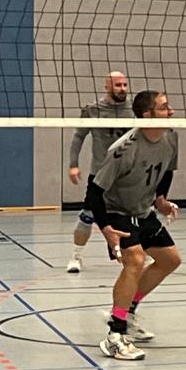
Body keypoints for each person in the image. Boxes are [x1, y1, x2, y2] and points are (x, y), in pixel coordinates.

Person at [89, 90, 181, 362]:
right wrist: (105, 228)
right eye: (164, 108)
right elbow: (94, 191)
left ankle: (127, 312)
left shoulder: (171, 137)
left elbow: (167, 170)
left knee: (170, 260)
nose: (171, 112)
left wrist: (161, 199)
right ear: (147, 115)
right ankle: (115, 335)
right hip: (116, 210)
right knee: (135, 261)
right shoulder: (124, 149)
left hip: (143, 210)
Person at [64, 71, 134, 273]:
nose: (122, 89)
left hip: (127, 174)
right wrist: (73, 164)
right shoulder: (93, 110)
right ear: (107, 86)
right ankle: (76, 257)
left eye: (125, 85)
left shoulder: (134, 109)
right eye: (118, 85)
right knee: (88, 216)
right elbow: (78, 137)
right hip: (101, 174)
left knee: (137, 214)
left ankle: (139, 252)